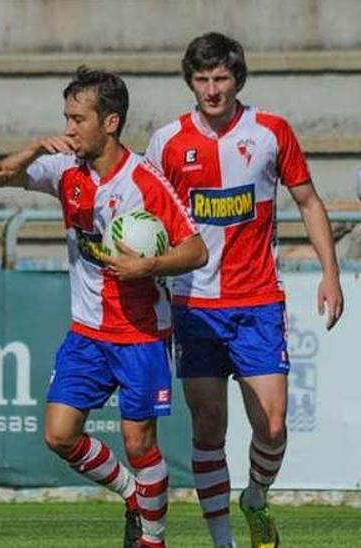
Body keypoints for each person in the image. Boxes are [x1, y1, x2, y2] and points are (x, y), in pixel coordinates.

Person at [0, 66, 208, 548]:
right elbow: (2, 175)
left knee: (138, 443)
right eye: (66, 117)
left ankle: (152, 538)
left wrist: (149, 267)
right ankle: (131, 494)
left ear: (110, 122)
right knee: (59, 435)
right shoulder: (66, 167)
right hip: (87, 331)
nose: (69, 128)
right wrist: (37, 148)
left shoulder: (144, 181)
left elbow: (196, 251)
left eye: (78, 118)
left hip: (140, 331)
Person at [145, 32, 344, 548]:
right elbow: (144, 213)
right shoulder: (167, 142)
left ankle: (256, 494)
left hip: (257, 301)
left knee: (272, 426)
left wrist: (330, 272)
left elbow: (308, 201)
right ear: (190, 81)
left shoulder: (271, 132)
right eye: (202, 79)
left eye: (221, 78)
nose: (211, 89)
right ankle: (224, 543)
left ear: (238, 79)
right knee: (208, 430)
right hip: (194, 305)